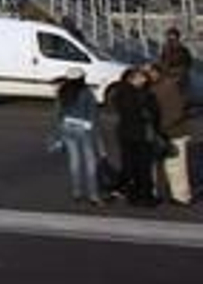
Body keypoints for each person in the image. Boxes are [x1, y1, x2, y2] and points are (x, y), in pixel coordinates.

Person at [110, 66, 160, 206]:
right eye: (141, 77)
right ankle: (145, 196)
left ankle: (131, 194)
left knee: (129, 164)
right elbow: (153, 114)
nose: (145, 79)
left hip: (125, 133)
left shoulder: (119, 93)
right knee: (143, 166)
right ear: (132, 79)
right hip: (141, 134)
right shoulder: (144, 95)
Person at [53, 68, 103, 204]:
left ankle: (77, 192)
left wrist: (57, 135)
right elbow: (93, 113)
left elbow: (58, 114)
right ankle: (93, 195)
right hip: (84, 128)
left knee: (74, 161)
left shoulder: (62, 92)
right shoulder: (86, 92)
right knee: (90, 162)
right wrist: (96, 133)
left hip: (67, 127)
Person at [151, 64, 192, 206]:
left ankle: (181, 196)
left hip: (173, 131)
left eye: (150, 73)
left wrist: (162, 126)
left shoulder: (168, 87)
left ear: (157, 72)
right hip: (166, 130)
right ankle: (179, 195)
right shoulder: (160, 86)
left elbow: (177, 111)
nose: (147, 76)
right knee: (173, 166)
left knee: (176, 166)